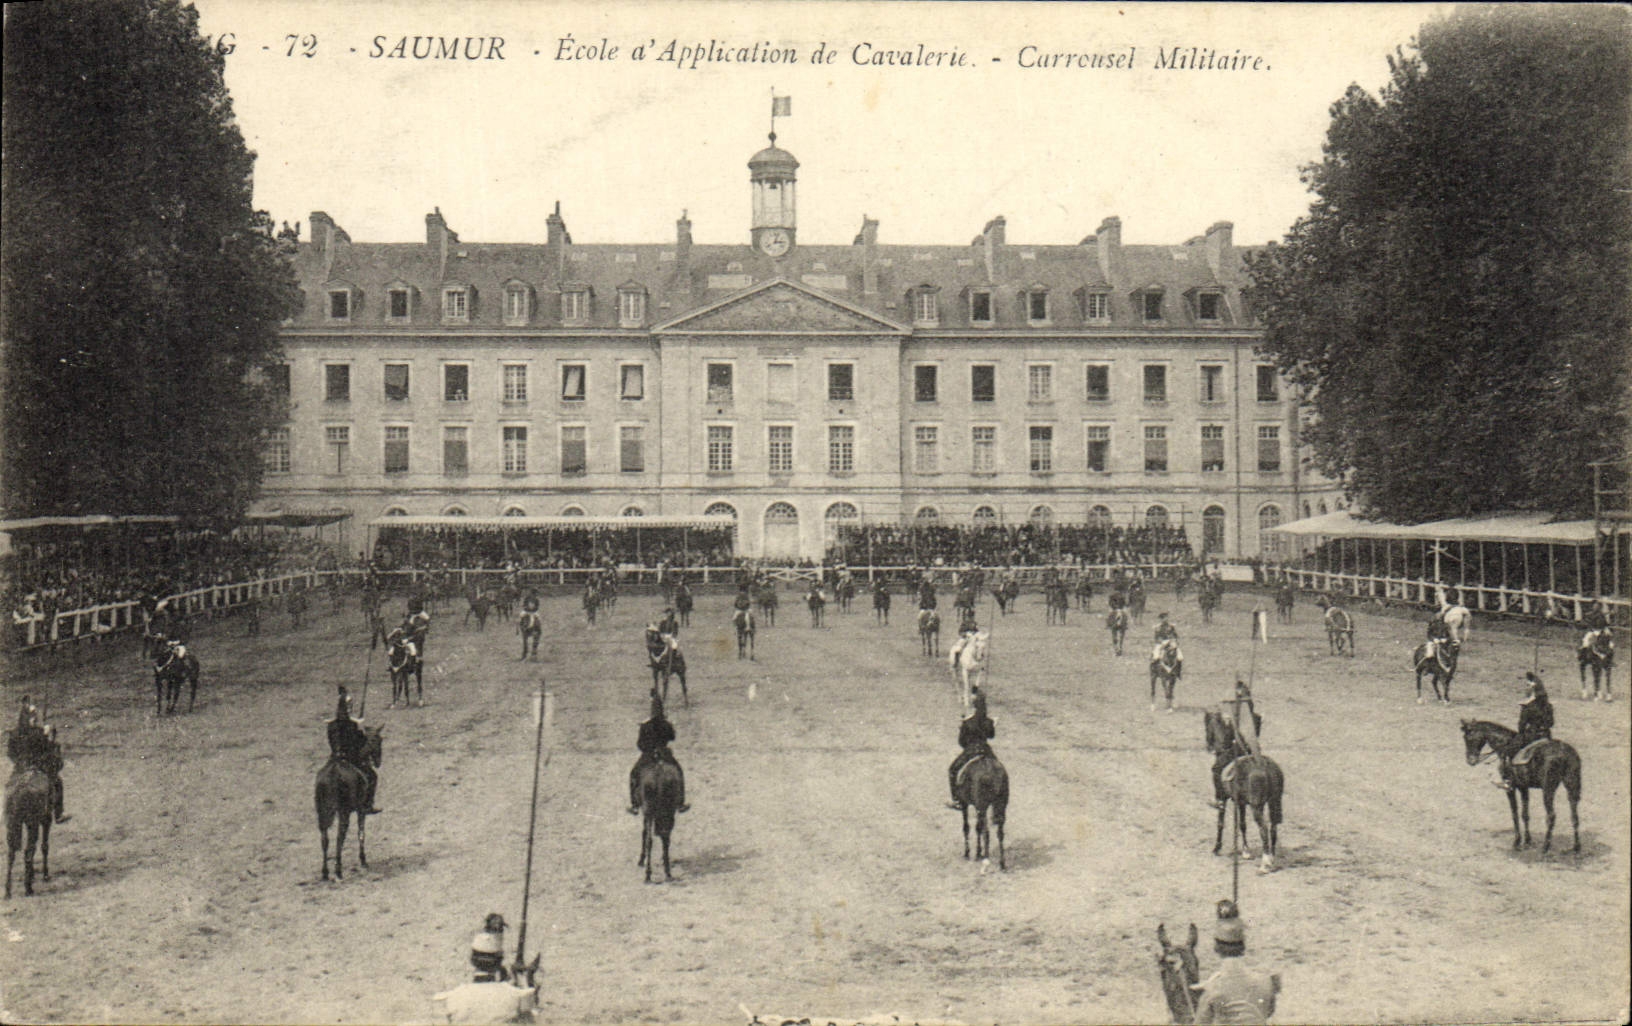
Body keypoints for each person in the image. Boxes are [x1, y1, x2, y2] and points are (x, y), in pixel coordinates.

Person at [431, 914, 538, 1024]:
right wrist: (524, 981)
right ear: (499, 962)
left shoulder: (450, 999)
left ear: (472, 961)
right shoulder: (517, 997)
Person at [1191, 899, 1281, 1024]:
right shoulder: (1265, 981)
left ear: (1216, 948)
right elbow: (1269, 1011)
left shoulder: (1213, 988)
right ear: (1243, 946)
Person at [628, 690, 687, 815]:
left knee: (634, 774)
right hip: (664, 754)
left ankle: (634, 804)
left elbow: (640, 744)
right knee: (679, 772)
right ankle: (680, 803)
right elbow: (672, 738)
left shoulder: (645, 725)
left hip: (648, 755)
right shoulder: (666, 724)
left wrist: (648, 748)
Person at [326, 686, 381, 814]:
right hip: (351, 758)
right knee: (372, 776)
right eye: (349, 705)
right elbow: (359, 743)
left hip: (334, 757)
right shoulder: (353, 723)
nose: (351, 707)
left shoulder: (332, 723)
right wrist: (360, 729)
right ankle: (367, 805)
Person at [946, 687, 996, 810]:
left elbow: (962, 743)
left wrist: (961, 727)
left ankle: (956, 800)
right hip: (986, 750)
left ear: (974, 706)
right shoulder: (988, 721)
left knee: (953, 770)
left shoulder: (968, 722)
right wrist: (992, 725)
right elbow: (991, 735)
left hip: (971, 751)